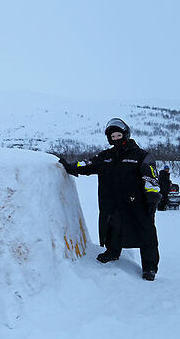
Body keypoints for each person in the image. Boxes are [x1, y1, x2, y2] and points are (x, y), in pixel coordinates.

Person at [58, 118, 161, 281]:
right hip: (112, 201)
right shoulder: (106, 156)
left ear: (125, 134)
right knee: (112, 228)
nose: (116, 139)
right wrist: (70, 166)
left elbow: (151, 179)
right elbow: (88, 164)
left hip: (137, 203)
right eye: (112, 137)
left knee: (146, 233)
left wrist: (152, 199)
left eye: (118, 135)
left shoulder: (141, 156)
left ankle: (149, 267)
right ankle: (112, 252)